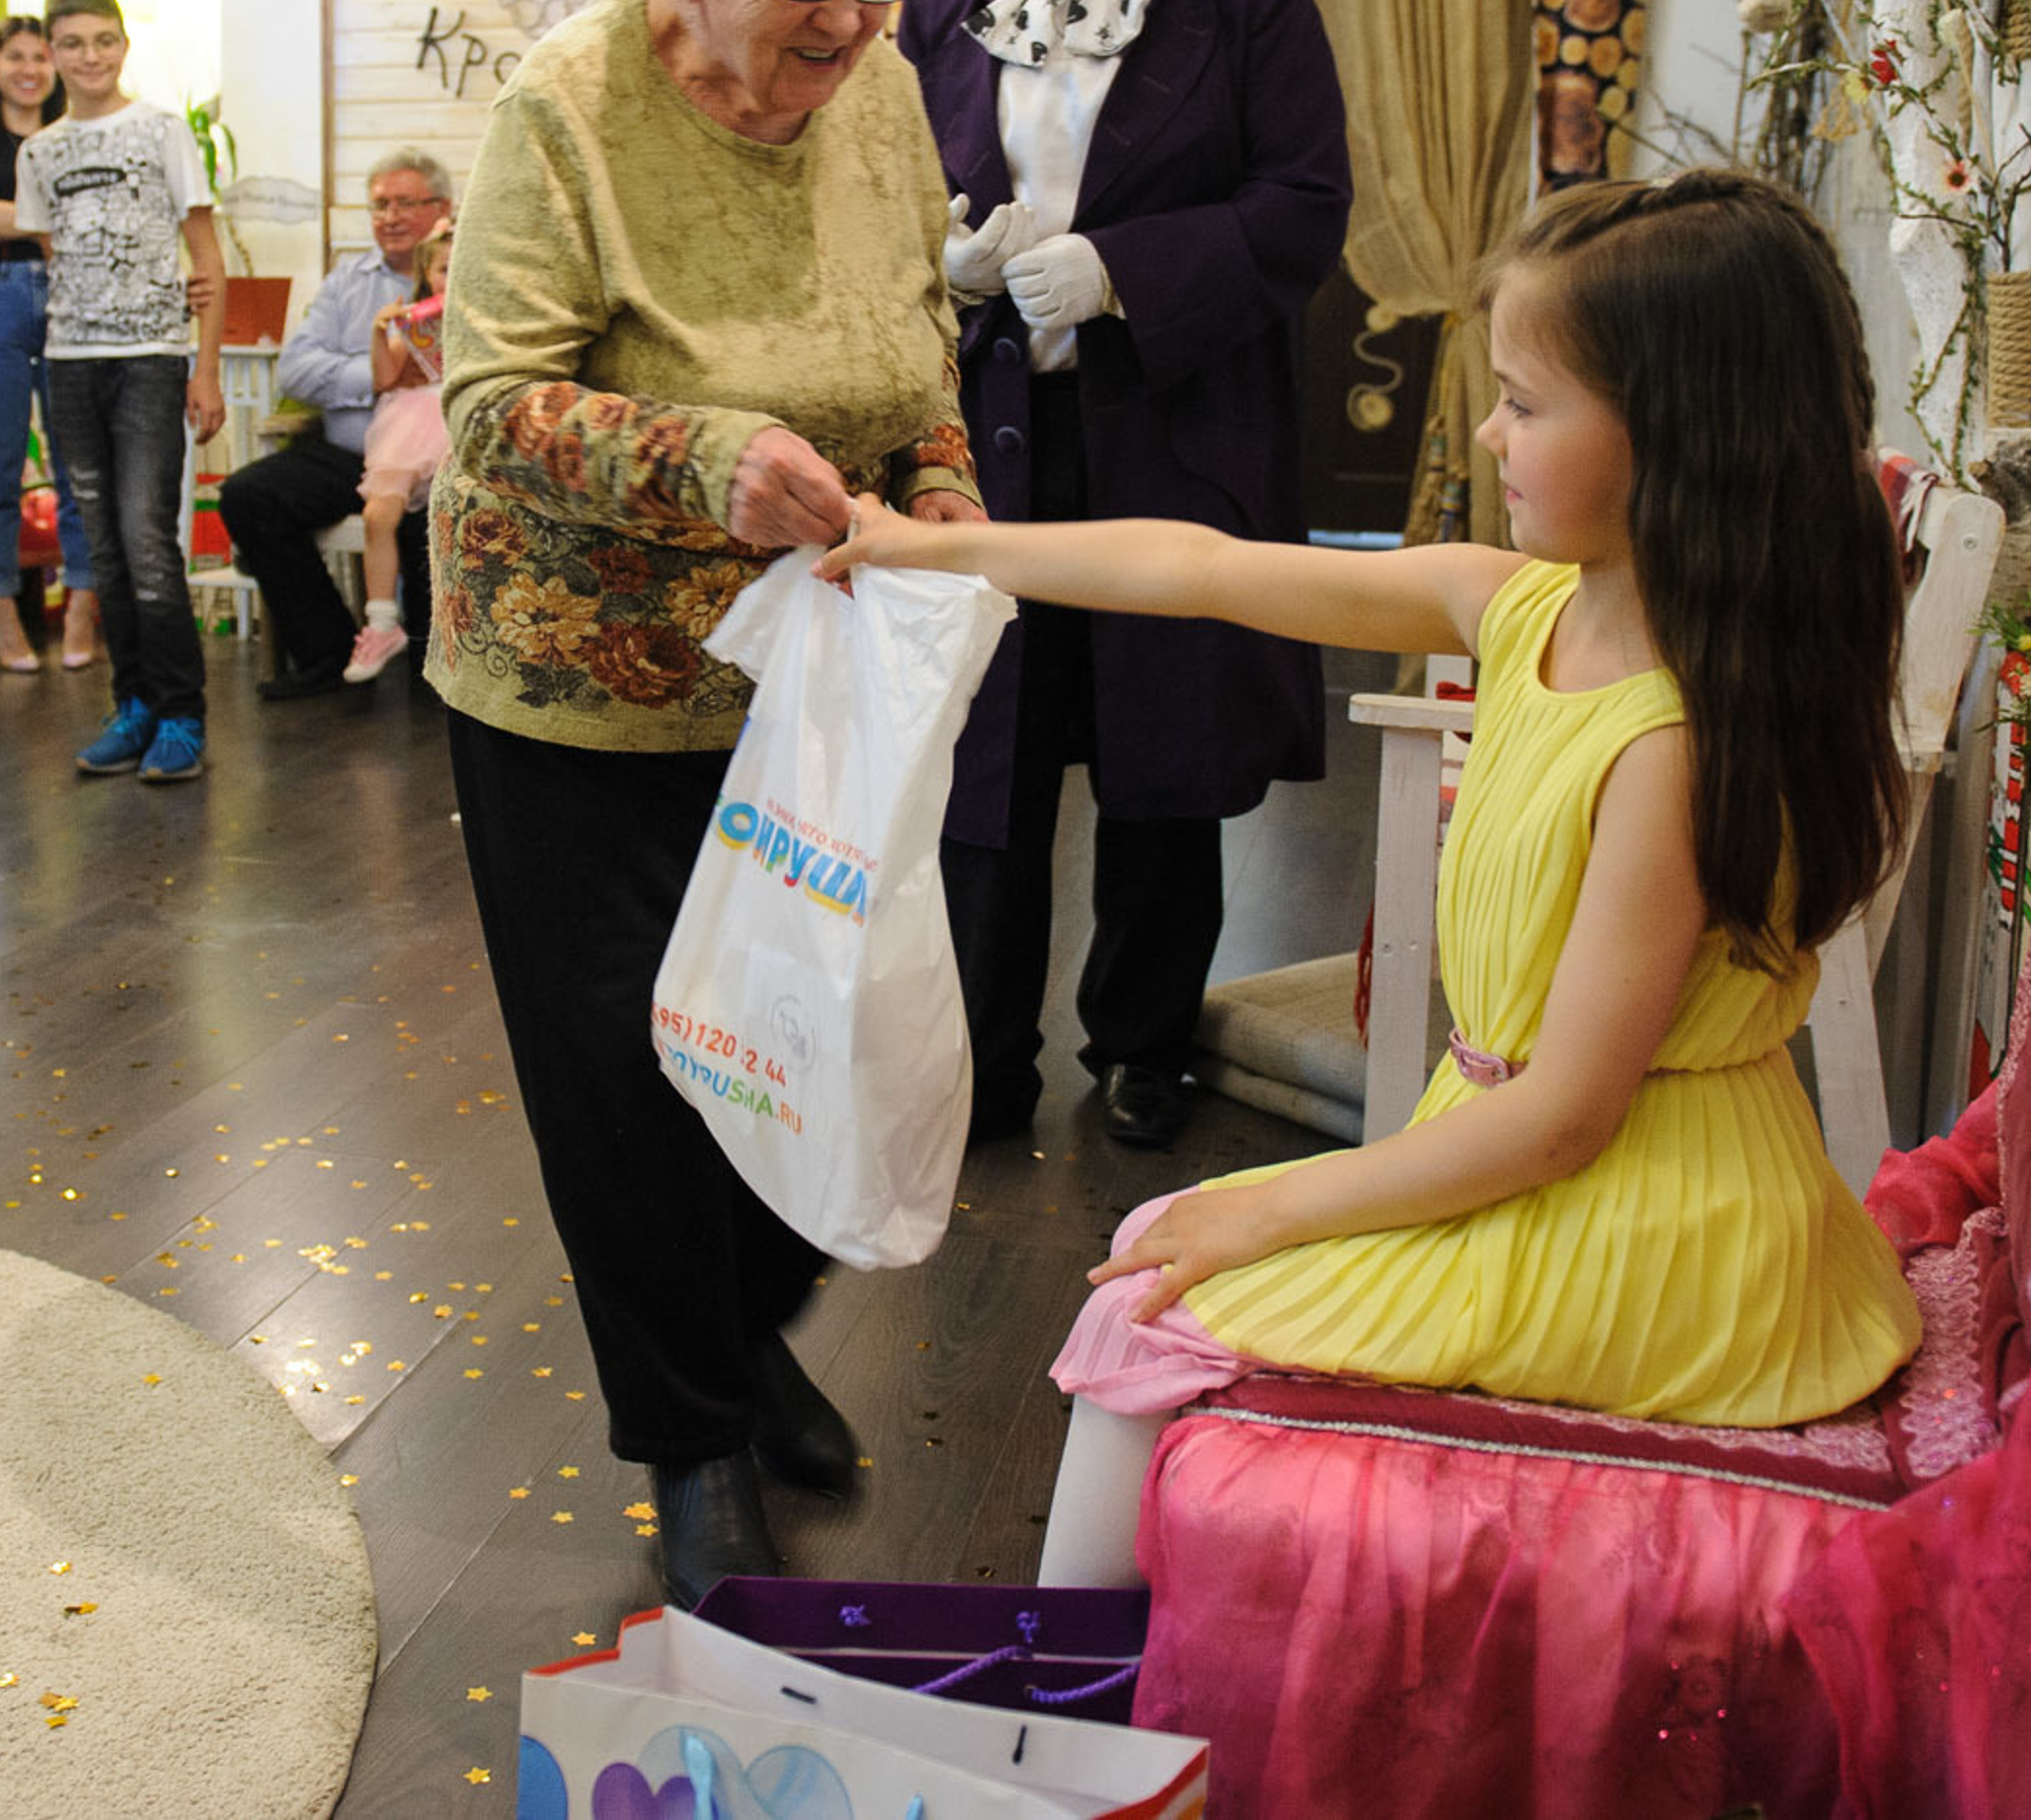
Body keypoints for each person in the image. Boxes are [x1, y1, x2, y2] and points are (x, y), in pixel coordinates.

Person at [816, 169, 1924, 1588]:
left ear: (1684, 437)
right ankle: (1081, 1713)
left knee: (1152, 1308)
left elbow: (1562, 1126)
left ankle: (1071, 1729)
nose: (1485, 430)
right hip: (1560, 1161)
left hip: (1663, 1226)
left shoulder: (1673, 743)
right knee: (1158, 1272)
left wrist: (1267, 1201)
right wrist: (932, 548)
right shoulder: (1520, 605)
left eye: (1526, 402)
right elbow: (1202, 566)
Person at [427, 0, 983, 1609]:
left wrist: (949, 497)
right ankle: (691, 1441)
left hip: (806, 668)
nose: (844, 18)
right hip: (574, 684)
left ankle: (745, 1342)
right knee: (630, 1074)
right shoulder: (565, 107)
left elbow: (919, 342)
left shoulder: (883, 87)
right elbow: (492, 411)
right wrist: (706, 462)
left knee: (791, 1036)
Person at [898, 0, 1351, 1152]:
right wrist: (942, 270)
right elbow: (876, 202)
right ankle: (984, 1066)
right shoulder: (936, 15)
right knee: (990, 765)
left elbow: (1304, 209)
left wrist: (1122, 273)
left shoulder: (1254, 3)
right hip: (988, 446)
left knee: (1162, 765)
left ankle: (1145, 1050)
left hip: (1176, 435)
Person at [14, 0, 226, 783]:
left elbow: (204, 257)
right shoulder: (41, 151)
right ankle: (132, 705)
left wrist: (202, 369)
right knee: (102, 548)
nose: (90, 55)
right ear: (52, 52)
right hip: (70, 366)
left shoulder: (164, 131)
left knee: (146, 539)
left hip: (151, 360)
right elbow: (55, 262)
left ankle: (181, 713)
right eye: (73, 43)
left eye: (104, 40)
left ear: (122, 46)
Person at [217, 150, 455, 700]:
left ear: (442, 209)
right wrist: (378, 378)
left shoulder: (467, 276)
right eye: (379, 205)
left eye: (405, 204)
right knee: (249, 496)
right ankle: (327, 649)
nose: (389, 217)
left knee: (431, 512)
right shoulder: (348, 281)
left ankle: (429, 666)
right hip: (349, 448)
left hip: (435, 460)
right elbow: (297, 369)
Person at [0, 15, 100, 673]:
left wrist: (25, 221)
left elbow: (94, 220)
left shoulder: (77, 137)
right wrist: (53, 223)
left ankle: (83, 607)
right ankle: (2, 609)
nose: (30, 68)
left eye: (42, 55)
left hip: (73, 297)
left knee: (77, 469)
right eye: (16, 56)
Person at [341, 216, 453, 684]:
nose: (452, 277)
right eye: (443, 269)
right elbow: (386, 379)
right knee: (377, 515)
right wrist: (379, 331)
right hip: (410, 424)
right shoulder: (415, 323)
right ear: (427, 274)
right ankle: (382, 624)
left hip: (460, 424)